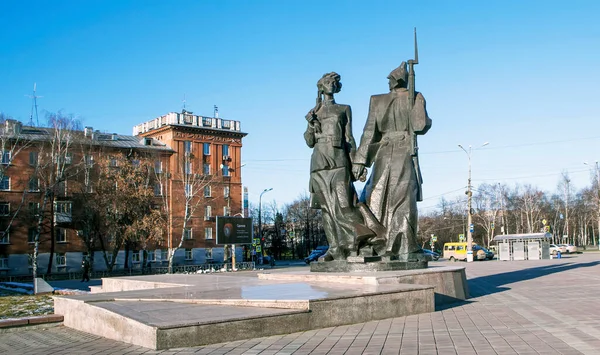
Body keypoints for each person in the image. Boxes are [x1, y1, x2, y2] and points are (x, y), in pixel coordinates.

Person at [352, 62, 432, 261]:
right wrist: (360, 162)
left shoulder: (412, 97)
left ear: (395, 80)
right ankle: (379, 241)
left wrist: (360, 161)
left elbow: (418, 127)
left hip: (400, 152)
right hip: (388, 153)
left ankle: (400, 246)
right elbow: (421, 125)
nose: (388, 83)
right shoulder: (380, 100)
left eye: (390, 80)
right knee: (374, 198)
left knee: (401, 199)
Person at [304, 72, 366, 260]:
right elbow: (309, 142)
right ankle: (334, 248)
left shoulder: (344, 109)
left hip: (339, 160)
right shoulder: (314, 112)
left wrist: (357, 162)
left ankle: (359, 240)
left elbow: (349, 138)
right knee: (326, 209)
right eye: (327, 82)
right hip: (319, 162)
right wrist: (310, 125)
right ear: (321, 87)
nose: (331, 84)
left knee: (345, 204)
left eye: (334, 82)